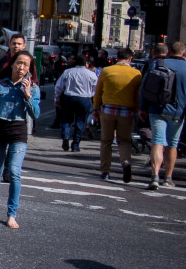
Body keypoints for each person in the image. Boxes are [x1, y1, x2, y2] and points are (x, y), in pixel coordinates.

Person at [0, 50, 40, 229]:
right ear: (13, 64)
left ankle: (11, 214)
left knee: (14, 172)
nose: (21, 67)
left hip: (18, 130)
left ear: (29, 69)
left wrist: (28, 95)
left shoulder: (33, 88)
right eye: (19, 63)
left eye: (26, 65)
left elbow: (35, 114)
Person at [139, 41, 186, 189]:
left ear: (169, 51)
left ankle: (154, 176)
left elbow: (144, 87)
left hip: (157, 109)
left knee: (158, 141)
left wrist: (142, 108)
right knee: (173, 144)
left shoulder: (158, 63)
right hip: (179, 112)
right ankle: (168, 178)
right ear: (183, 53)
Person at [93, 47, 141, 182]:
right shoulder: (136, 74)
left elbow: (98, 92)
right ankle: (125, 162)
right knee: (124, 141)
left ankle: (105, 171)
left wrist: (96, 108)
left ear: (117, 58)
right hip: (127, 111)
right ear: (130, 58)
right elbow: (138, 96)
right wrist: (137, 110)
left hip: (107, 110)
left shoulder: (106, 71)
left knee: (106, 141)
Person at [53, 55, 98, 152]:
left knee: (66, 120)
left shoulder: (68, 72)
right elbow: (96, 89)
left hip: (69, 97)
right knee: (81, 121)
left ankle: (65, 136)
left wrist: (56, 99)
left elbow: (58, 87)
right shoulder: (91, 74)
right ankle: (75, 145)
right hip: (84, 99)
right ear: (86, 64)